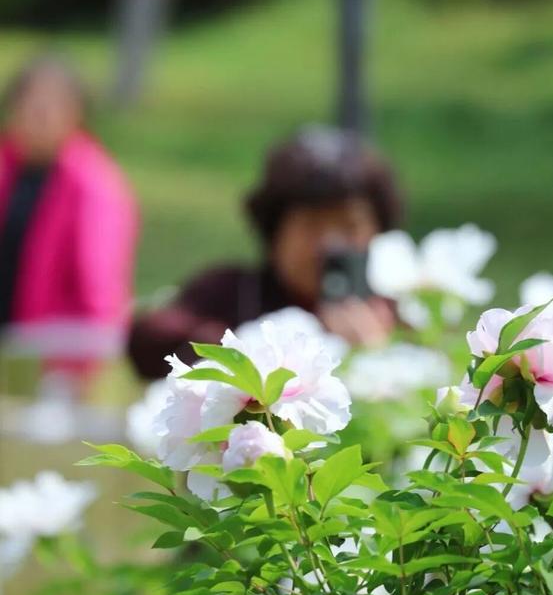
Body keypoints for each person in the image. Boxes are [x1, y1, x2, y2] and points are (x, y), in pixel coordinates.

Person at [128, 125, 402, 380]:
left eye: (350, 225)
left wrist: (379, 358)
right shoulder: (231, 294)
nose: (330, 243)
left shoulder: (403, 308)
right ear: (276, 230)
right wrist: (256, 348)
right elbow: (148, 343)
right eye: (312, 225)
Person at [0, 57, 138, 367]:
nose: (40, 114)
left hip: (49, 358)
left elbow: (99, 287)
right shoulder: (6, 167)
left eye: (51, 104)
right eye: (30, 103)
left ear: (75, 113)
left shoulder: (95, 186)